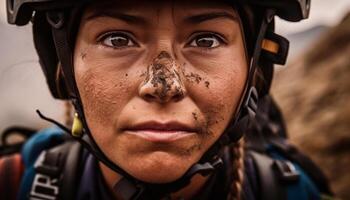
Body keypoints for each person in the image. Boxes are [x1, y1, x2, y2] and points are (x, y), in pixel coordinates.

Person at [0, 0, 334, 199]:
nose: (163, 85)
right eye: (117, 39)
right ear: (63, 66)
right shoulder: (11, 183)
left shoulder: (291, 193)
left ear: (254, 70)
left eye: (206, 40)